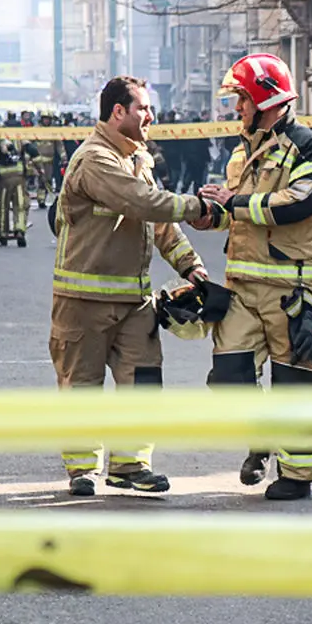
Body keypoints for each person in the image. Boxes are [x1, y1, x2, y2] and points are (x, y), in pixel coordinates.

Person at [51, 75, 216, 498]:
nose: (151, 116)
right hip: (83, 299)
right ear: (117, 111)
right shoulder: (94, 160)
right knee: (82, 387)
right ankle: (83, 470)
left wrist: (192, 268)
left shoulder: (138, 160)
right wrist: (200, 205)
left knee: (142, 383)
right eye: (143, 107)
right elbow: (141, 202)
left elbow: (159, 225)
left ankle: (129, 466)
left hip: (134, 302)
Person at [193, 53, 312, 501]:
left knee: (295, 384)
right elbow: (240, 211)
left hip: (293, 291)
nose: (237, 107)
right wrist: (212, 215)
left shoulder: (309, 148)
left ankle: (296, 476)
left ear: (263, 98)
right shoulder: (242, 149)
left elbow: (302, 204)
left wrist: (232, 203)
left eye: (241, 98)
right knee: (228, 377)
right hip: (243, 289)